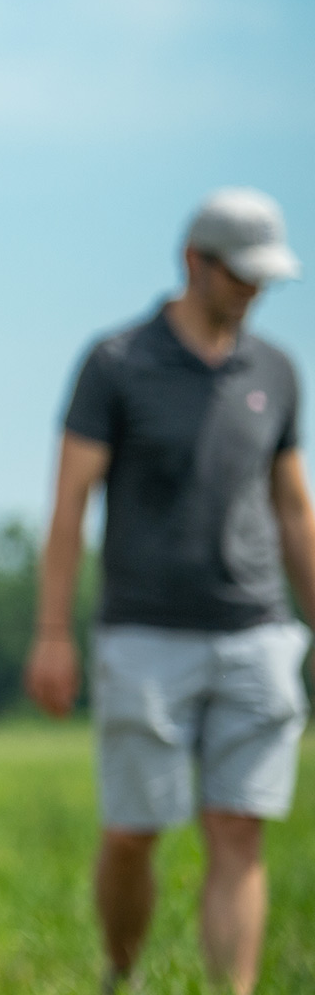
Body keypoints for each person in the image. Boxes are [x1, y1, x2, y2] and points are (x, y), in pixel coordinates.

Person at [26, 187, 312, 994]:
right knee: (132, 833)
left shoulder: (278, 373)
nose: (253, 294)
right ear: (196, 263)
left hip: (257, 631)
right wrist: (53, 632)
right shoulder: (116, 364)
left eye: (264, 281)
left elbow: (293, 509)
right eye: (240, 277)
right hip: (143, 635)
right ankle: (121, 970)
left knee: (238, 829)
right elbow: (69, 507)